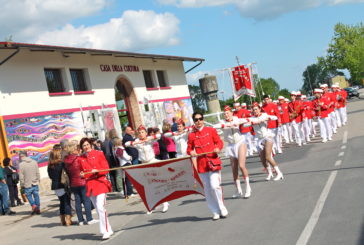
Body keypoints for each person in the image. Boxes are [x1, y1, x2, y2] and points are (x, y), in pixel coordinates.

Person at [187, 112, 228, 220]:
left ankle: (221, 207)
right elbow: (189, 149)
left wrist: (218, 148)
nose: (198, 121)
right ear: (194, 121)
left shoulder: (211, 130)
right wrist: (191, 152)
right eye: (196, 120)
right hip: (202, 164)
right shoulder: (192, 135)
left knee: (215, 186)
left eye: (200, 119)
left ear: (203, 119)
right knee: (208, 189)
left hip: (213, 162)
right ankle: (214, 210)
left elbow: (219, 142)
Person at [125, 125, 169, 213]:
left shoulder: (150, 139)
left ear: (145, 133)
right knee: (148, 186)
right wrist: (135, 143)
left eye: (142, 132)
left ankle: (165, 203)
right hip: (144, 164)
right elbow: (126, 144)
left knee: (158, 183)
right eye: (139, 133)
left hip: (152, 162)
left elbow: (159, 136)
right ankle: (152, 205)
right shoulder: (137, 141)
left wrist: (149, 139)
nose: (141, 134)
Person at [79, 138, 114, 240]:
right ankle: (109, 228)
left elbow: (106, 168)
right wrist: (82, 175)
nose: (86, 147)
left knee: (100, 207)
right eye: (84, 146)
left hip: (100, 183)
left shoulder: (99, 153)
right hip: (90, 185)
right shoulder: (81, 158)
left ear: (90, 144)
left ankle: (105, 231)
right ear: (82, 148)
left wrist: (97, 171)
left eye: (87, 144)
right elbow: (82, 173)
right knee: (99, 210)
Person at [214, 105, 251, 199]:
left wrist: (237, 123)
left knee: (242, 166)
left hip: (240, 142)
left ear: (231, 113)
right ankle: (238, 189)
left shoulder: (236, 119)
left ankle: (248, 187)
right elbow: (217, 126)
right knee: (234, 169)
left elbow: (245, 120)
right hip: (230, 145)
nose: (226, 115)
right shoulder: (222, 122)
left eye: (227, 113)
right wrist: (226, 125)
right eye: (224, 113)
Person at [247, 103, 284, 181]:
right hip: (258, 139)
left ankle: (279, 173)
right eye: (253, 110)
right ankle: (270, 173)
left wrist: (267, 118)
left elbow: (275, 117)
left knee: (268, 156)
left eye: (256, 109)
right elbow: (244, 125)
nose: (255, 111)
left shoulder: (264, 115)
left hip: (267, 136)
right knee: (263, 160)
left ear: (260, 109)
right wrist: (252, 123)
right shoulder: (251, 118)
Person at [64, 140, 97, 226]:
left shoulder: (66, 160)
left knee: (77, 201)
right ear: (75, 148)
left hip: (73, 182)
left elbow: (68, 172)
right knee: (86, 200)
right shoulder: (79, 158)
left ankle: (80, 220)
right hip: (82, 180)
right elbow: (84, 168)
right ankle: (89, 218)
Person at [48, 144, 73, 226]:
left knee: (61, 202)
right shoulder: (61, 164)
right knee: (66, 202)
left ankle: (62, 220)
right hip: (63, 185)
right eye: (59, 154)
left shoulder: (50, 166)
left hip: (55, 186)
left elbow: (50, 176)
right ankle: (68, 220)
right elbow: (67, 173)